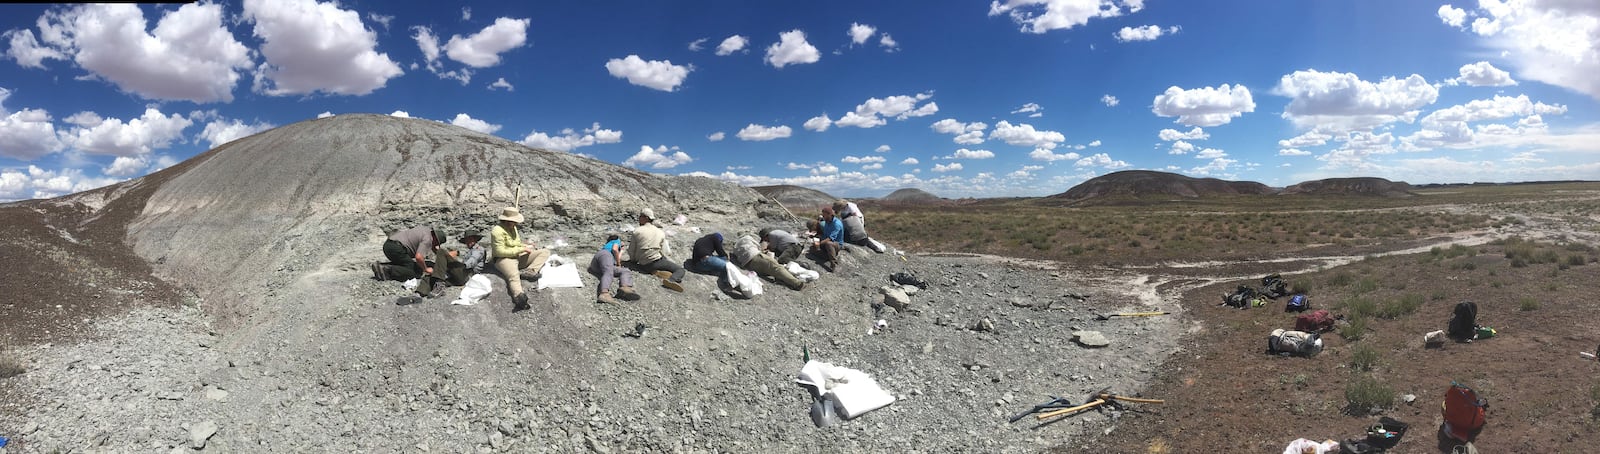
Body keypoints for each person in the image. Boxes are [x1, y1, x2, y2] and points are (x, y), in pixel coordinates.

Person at [491, 207, 551, 312]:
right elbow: (499, 251)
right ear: (507, 220)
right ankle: (519, 297)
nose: (515, 224)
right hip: (503, 259)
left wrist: (526, 245)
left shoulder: (513, 228)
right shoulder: (497, 231)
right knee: (513, 275)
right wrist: (521, 249)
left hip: (517, 257)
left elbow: (517, 243)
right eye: (514, 222)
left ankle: (530, 271)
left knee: (544, 252)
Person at [373, 225, 446, 305]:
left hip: (388, 245)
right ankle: (387, 270)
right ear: (435, 239)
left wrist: (440, 255)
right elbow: (418, 257)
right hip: (396, 248)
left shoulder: (425, 230)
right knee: (413, 271)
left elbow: (428, 246)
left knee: (405, 262)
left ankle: (381, 265)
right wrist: (426, 269)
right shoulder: (428, 239)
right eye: (437, 243)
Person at [626, 208, 685, 292]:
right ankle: (671, 280)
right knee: (680, 270)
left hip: (643, 264)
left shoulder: (637, 231)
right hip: (656, 261)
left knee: (661, 263)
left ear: (645, 218)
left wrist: (633, 261)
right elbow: (665, 251)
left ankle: (658, 272)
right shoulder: (660, 232)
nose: (639, 218)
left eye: (640, 216)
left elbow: (631, 250)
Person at [731, 233, 804, 290]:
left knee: (772, 269)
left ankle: (783, 279)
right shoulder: (748, 238)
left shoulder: (736, 246)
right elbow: (760, 248)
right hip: (755, 257)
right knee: (777, 268)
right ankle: (797, 284)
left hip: (749, 265)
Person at [588, 235, 640, 304]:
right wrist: (618, 263)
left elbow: (616, 255)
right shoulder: (616, 240)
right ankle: (604, 294)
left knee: (625, 271)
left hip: (599, 267)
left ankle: (625, 287)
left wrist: (621, 251)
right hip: (604, 255)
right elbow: (614, 249)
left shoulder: (611, 247)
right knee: (608, 272)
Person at [815, 206, 844, 271]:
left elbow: (830, 238)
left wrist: (820, 243)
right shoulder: (827, 222)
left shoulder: (836, 224)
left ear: (829, 215)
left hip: (836, 244)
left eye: (824, 215)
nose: (823, 217)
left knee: (828, 244)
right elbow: (825, 235)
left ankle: (833, 263)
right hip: (827, 241)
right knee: (814, 247)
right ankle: (826, 255)